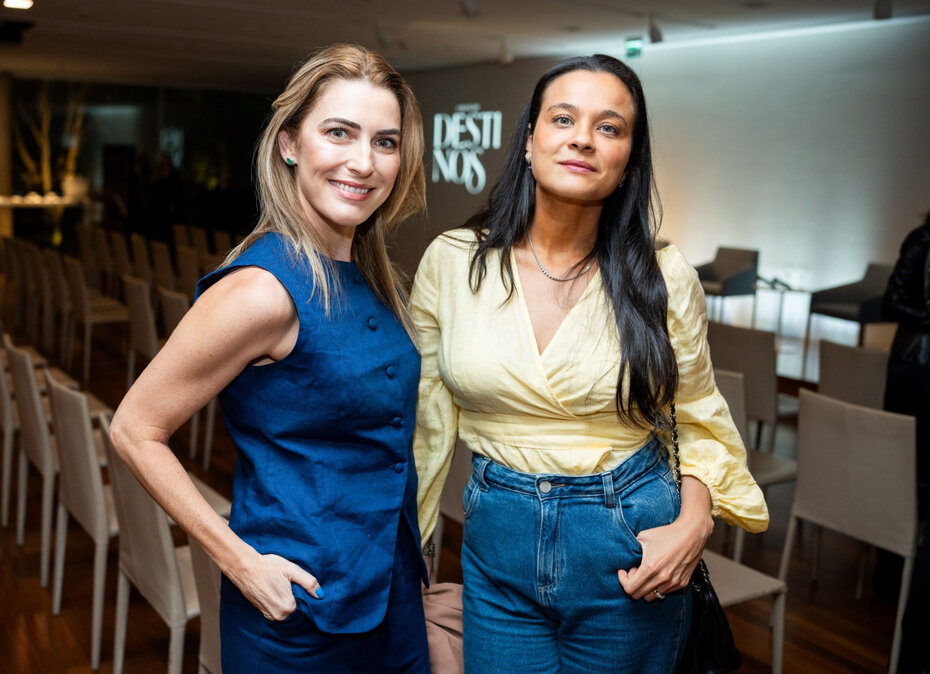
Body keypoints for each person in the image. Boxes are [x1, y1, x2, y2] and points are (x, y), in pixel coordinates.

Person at [410, 54, 768, 673]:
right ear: (529, 140)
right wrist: (407, 549)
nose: (582, 137)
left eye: (609, 127)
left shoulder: (661, 274)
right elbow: (425, 422)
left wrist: (695, 521)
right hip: (497, 542)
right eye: (563, 118)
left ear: (629, 157)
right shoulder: (454, 261)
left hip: (630, 545)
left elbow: (699, 414)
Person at [109, 44, 431, 673]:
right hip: (299, 617)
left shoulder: (365, 270)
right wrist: (237, 560)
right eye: (339, 133)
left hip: (389, 599)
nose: (363, 162)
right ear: (289, 143)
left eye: (385, 142)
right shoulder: (263, 288)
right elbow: (135, 428)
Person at [881, 211, 930, 674]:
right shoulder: (922, 237)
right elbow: (891, 301)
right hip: (915, 368)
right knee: (903, 473)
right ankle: (892, 572)